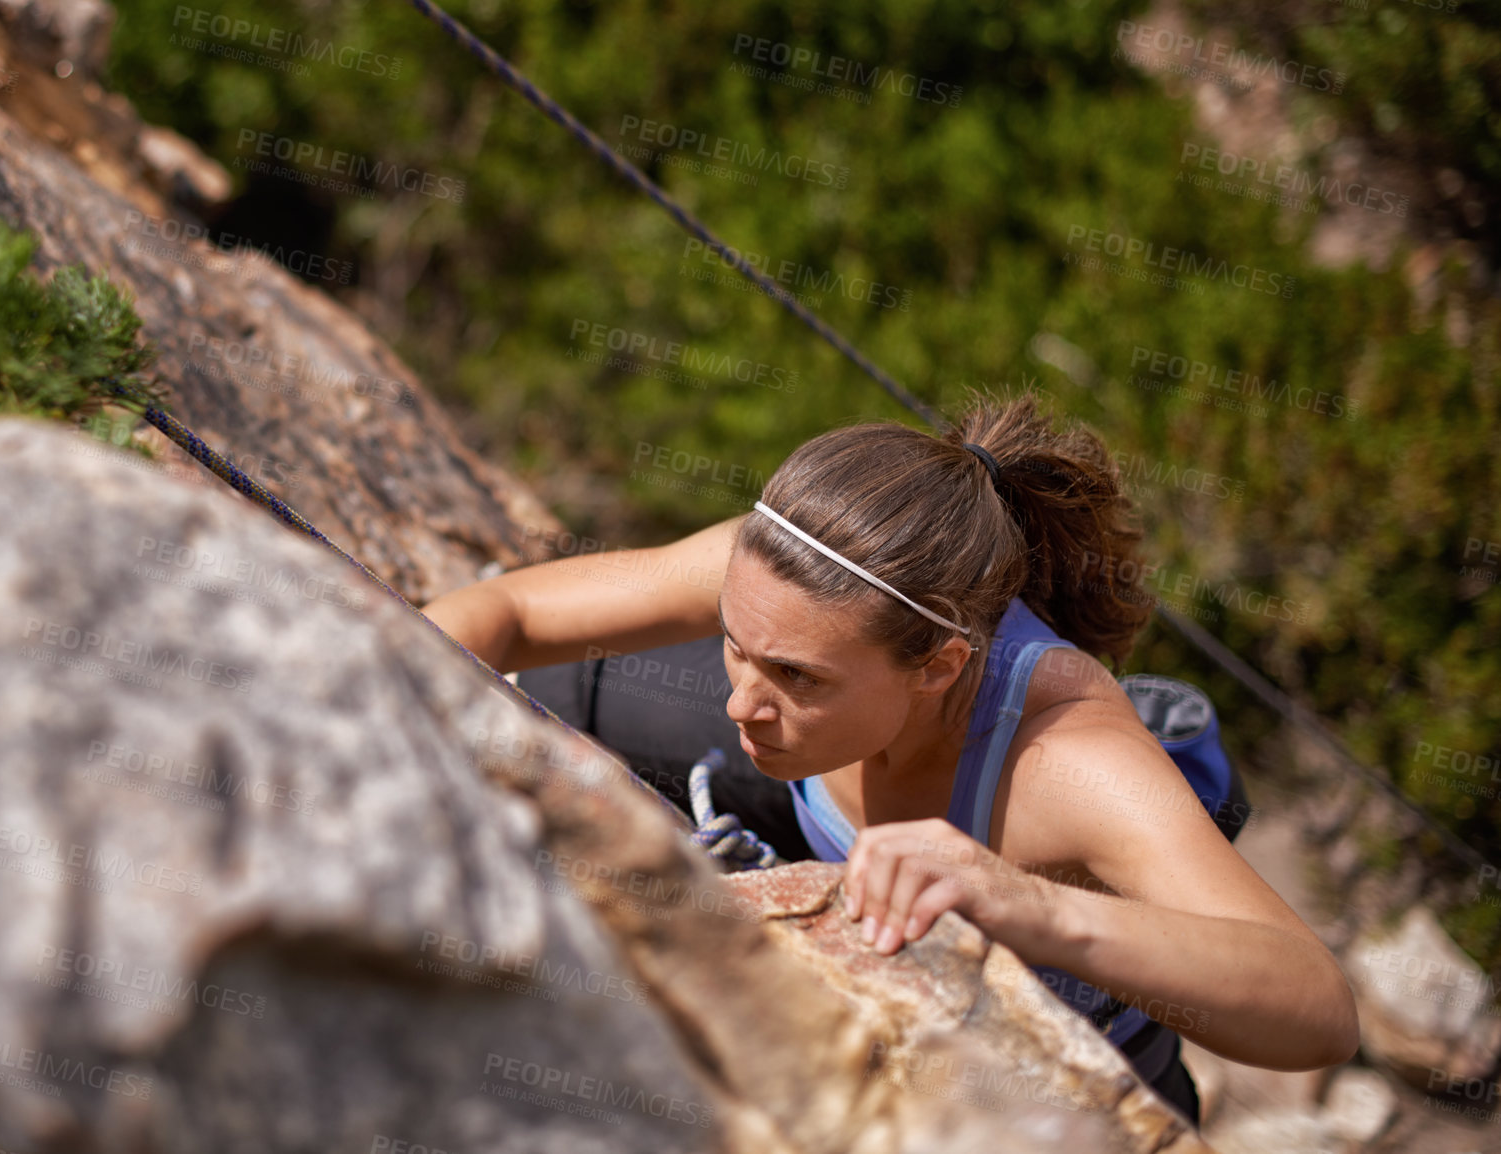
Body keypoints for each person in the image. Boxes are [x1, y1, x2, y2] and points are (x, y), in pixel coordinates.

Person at [421, 392, 1360, 1123]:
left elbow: (1316, 1006)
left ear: (941, 664)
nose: (741, 696)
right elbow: (511, 613)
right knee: (560, 689)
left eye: (794, 673)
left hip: (1043, 1076)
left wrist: (1020, 903)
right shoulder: (789, 579)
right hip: (810, 821)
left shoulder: (1068, 762)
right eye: (733, 642)